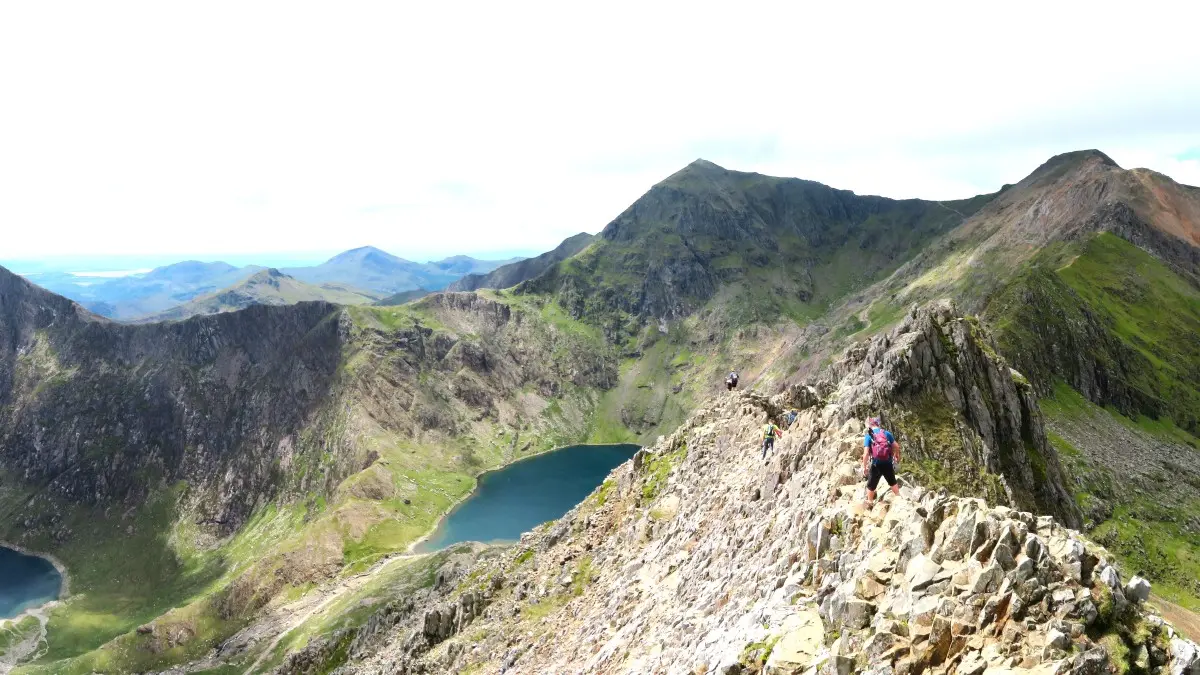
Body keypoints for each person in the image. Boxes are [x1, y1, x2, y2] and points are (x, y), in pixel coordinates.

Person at [861, 416, 902, 505]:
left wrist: (864, 467)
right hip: (887, 461)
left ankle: (870, 501)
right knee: (892, 481)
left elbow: (866, 453)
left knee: (871, 484)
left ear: (869, 426)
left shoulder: (869, 436)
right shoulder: (886, 433)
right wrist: (897, 455)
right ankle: (899, 498)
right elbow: (896, 446)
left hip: (876, 463)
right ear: (877, 424)